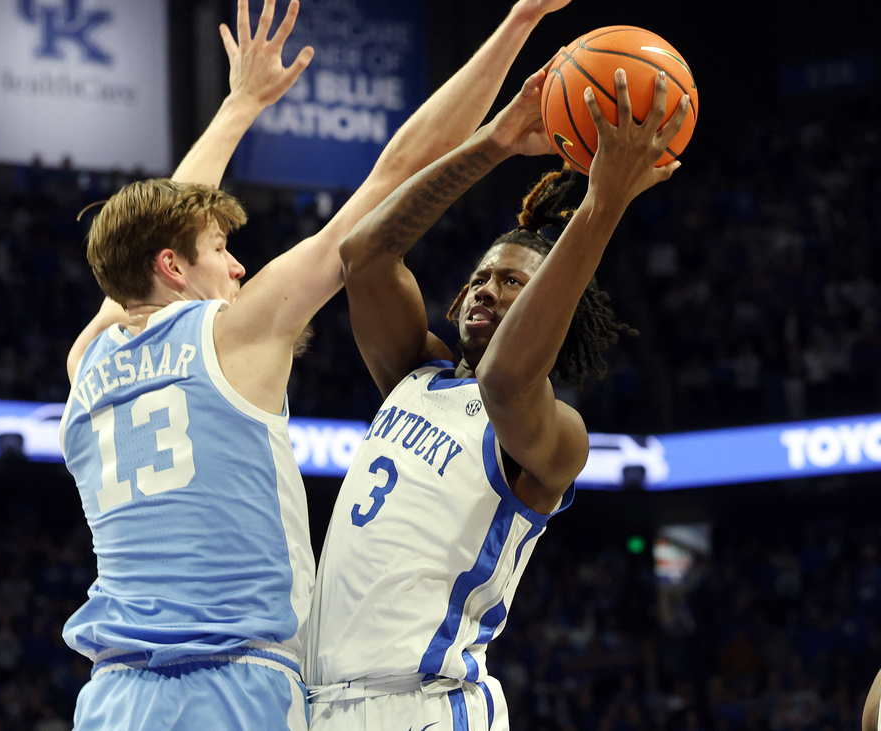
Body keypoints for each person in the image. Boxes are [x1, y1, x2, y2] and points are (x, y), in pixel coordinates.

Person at [58, 0, 575, 728]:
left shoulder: (89, 358)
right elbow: (393, 178)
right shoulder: (235, 333)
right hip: (234, 688)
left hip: (110, 697)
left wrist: (240, 107)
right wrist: (511, 46)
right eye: (221, 252)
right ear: (174, 268)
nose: (238, 268)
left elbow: (147, 247)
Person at [303, 68, 690, 729]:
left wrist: (602, 205)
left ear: (550, 307)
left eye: (515, 283)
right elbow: (364, 254)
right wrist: (496, 142)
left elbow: (506, 378)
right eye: (481, 277)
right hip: (318, 702)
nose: (487, 290)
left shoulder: (556, 434)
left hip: (425, 704)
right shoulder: (414, 372)